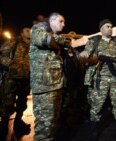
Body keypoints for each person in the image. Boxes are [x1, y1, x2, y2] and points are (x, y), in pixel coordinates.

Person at [29, 12, 83, 140]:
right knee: (45, 128)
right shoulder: (39, 28)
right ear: (51, 21)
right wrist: (63, 40)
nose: (64, 24)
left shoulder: (57, 38)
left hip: (56, 85)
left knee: (52, 124)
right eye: (61, 21)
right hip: (44, 87)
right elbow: (43, 39)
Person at [82, 19, 116, 141]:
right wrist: (84, 55)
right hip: (100, 79)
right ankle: (94, 132)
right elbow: (86, 54)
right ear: (101, 29)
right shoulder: (94, 42)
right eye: (107, 26)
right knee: (97, 106)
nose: (110, 28)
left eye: (111, 26)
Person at [0, 27, 31, 140]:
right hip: (11, 78)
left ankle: (18, 123)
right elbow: (2, 55)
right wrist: (11, 65)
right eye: (27, 30)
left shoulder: (33, 45)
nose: (30, 32)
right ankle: (3, 127)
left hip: (26, 79)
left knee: (22, 103)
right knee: (7, 103)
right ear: (21, 33)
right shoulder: (13, 41)